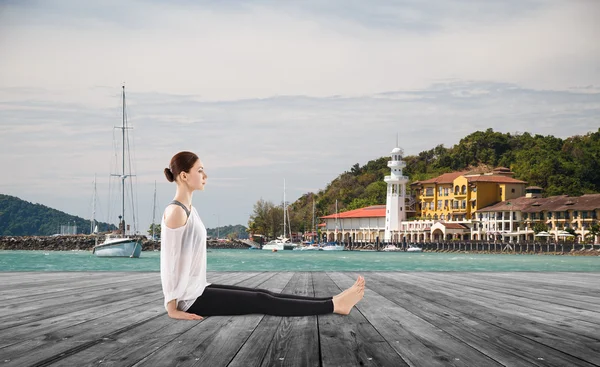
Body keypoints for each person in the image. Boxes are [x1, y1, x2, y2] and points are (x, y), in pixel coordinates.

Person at [160, 151, 365, 321]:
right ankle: (334, 305)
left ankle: (334, 301)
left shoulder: (190, 210)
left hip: (198, 289)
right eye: (200, 170)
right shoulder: (176, 212)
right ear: (184, 176)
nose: (205, 175)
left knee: (265, 294)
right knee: (261, 300)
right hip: (190, 299)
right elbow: (169, 263)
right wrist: (172, 308)